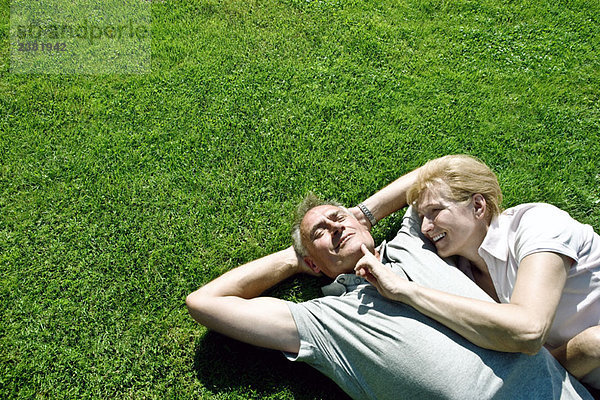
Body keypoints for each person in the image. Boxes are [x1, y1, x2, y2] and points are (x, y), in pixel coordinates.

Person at [186, 191, 592, 399]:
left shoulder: (411, 242)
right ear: (314, 266)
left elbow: (429, 171)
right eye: (320, 233)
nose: (334, 226)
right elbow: (205, 303)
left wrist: (364, 212)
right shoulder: (324, 321)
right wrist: (295, 258)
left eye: (338, 216)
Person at [353, 154, 600, 392]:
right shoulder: (460, 277)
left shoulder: (536, 224)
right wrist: (358, 219)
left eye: (435, 211)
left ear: (478, 206)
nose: (426, 227)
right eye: (421, 217)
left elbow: (529, 330)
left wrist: (406, 291)